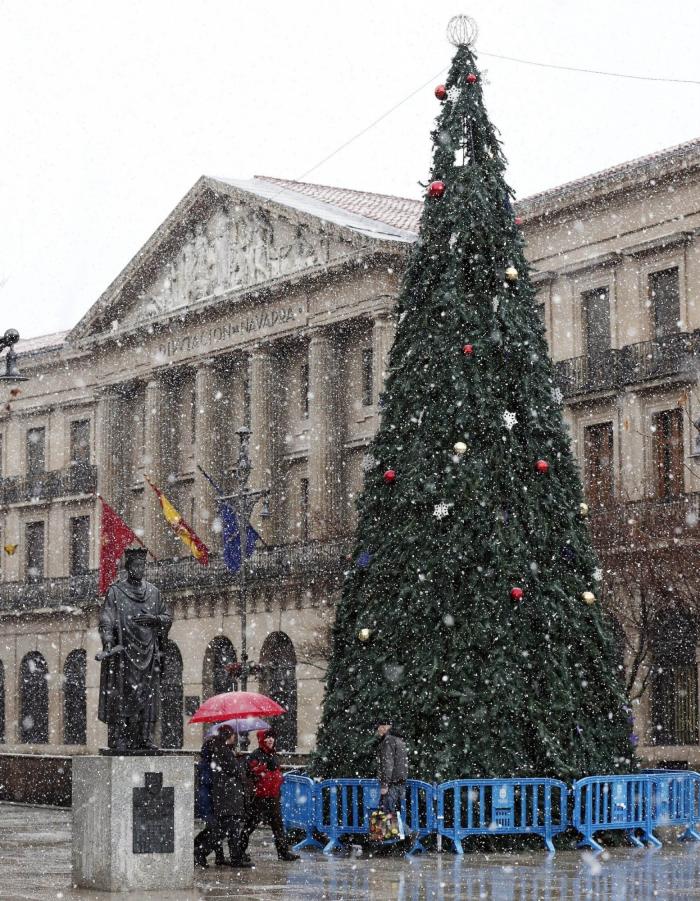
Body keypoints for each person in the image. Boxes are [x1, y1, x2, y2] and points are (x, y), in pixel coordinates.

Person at [97, 546, 172, 751]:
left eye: (142, 565)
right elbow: (106, 618)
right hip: (124, 654)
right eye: (136, 565)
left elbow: (167, 617)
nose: (140, 569)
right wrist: (108, 641)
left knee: (148, 696)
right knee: (122, 695)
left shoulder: (154, 593)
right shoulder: (116, 591)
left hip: (148, 653)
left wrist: (154, 619)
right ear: (128, 567)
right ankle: (120, 737)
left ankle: (144, 737)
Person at [232, 729, 300, 862]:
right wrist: (259, 770)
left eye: (272, 738)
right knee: (250, 825)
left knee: (278, 825)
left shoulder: (273, 755)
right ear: (262, 740)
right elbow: (249, 774)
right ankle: (239, 852)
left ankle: (283, 852)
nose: (270, 740)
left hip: (273, 796)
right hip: (260, 797)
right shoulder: (256, 755)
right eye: (268, 738)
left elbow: (275, 773)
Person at [195, 725, 253, 869]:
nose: (235, 737)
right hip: (228, 797)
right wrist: (239, 761)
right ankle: (201, 851)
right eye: (233, 735)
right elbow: (234, 771)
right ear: (228, 735)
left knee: (230, 830)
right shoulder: (222, 751)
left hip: (227, 797)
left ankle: (235, 857)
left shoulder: (222, 750)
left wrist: (235, 757)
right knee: (226, 830)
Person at [194, 732, 226, 867]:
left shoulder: (209, 762)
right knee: (216, 830)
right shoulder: (208, 764)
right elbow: (208, 782)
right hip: (207, 802)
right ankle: (199, 852)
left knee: (214, 829)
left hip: (209, 801)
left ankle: (218, 855)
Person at [375, 718, 408, 814]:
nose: (378, 729)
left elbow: (387, 763)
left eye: (380, 727)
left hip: (392, 783)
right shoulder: (398, 739)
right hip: (399, 782)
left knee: (388, 814)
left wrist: (385, 784)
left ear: (386, 727)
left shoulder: (388, 741)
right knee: (393, 815)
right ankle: (404, 829)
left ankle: (406, 830)